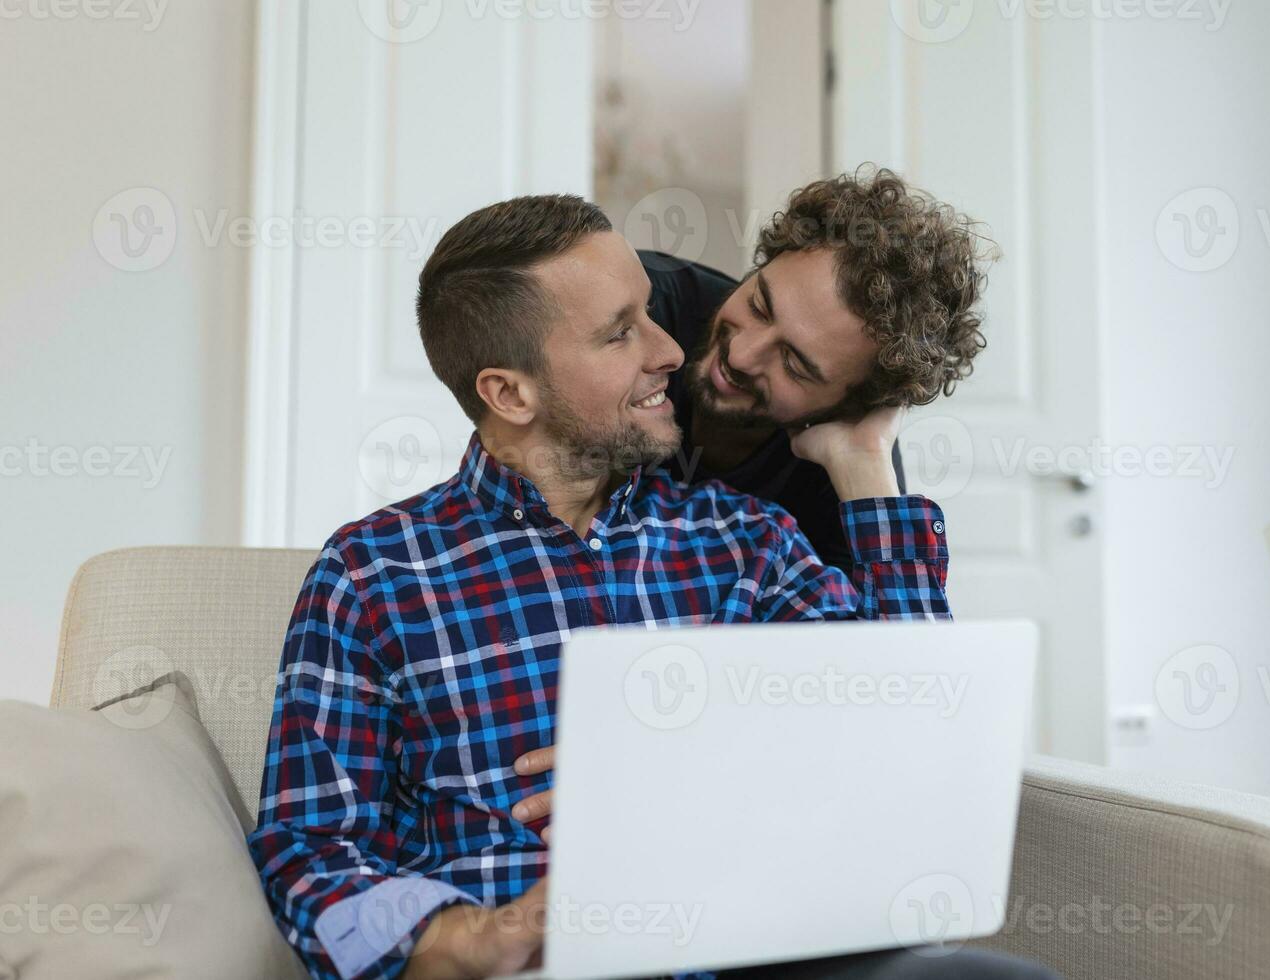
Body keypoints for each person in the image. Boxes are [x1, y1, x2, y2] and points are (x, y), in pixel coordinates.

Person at [248, 194, 1047, 980]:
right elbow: (306, 848)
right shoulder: (373, 575)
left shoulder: (747, 542)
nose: (674, 349)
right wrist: (465, 937)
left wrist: (690, 761)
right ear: (509, 392)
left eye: (650, 312)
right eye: (621, 331)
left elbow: (918, 739)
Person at [641, 165, 994, 576]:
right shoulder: (643, 310)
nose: (740, 355)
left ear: (844, 406)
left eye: (793, 363)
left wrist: (862, 464)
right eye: (758, 305)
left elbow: (900, 637)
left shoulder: (850, 447)